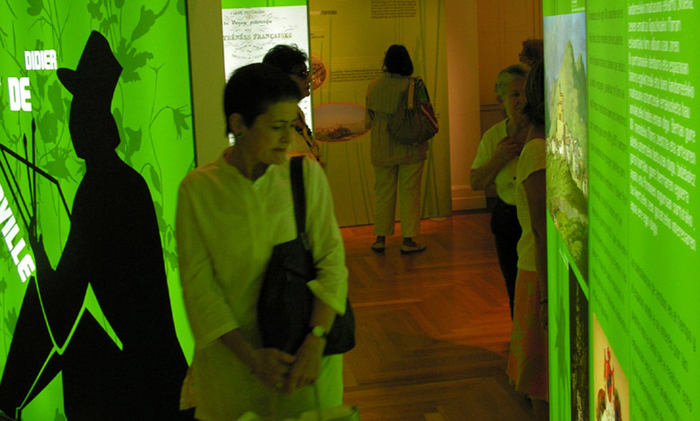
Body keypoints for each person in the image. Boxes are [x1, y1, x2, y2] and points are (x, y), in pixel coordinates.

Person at [0, 31, 188, 420]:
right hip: (157, 370)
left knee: (62, 328)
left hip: (148, 381)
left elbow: (66, 295)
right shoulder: (122, 181)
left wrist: (41, 261)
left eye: (80, 115)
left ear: (95, 123)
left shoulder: (100, 189)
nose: (72, 125)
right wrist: (41, 256)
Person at [176, 63, 349, 420]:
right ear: (239, 124)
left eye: (292, 126)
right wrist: (252, 358)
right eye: (276, 127)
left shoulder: (304, 176)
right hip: (231, 369)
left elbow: (332, 261)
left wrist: (316, 340)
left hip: (303, 365)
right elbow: (198, 287)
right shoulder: (199, 190)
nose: (288, 138)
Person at [506, 61, 549, 420]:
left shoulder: (539, 145)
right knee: (540, 379)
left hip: (539, 269)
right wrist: (547, 297)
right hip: (538, 272)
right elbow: (541, 229)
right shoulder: (537, 151)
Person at [470, 64, 530, 319]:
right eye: (515, 94)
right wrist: (498, 158)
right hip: (508, 219)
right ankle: (519, 335)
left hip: (538, 217)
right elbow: (475, 182)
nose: (522, 100)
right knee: (514, 284)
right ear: (500, 100)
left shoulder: (545, 131)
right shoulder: (493, 136)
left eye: (526, 93)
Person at [365, 44, 429, 254]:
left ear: (386, 62)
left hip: (381, 146)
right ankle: (408, 241)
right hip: (411, 145)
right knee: (410, 194)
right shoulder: (414, 85)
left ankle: (380, 238)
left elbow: (368, 121)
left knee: (383, 193)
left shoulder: (374, 86)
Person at [263, 44, 323, 165]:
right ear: (281, 79)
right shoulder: (267, 117)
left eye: (307, 73)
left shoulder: (296, 111)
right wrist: (303, 165)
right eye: (302, 74)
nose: (309, 79)